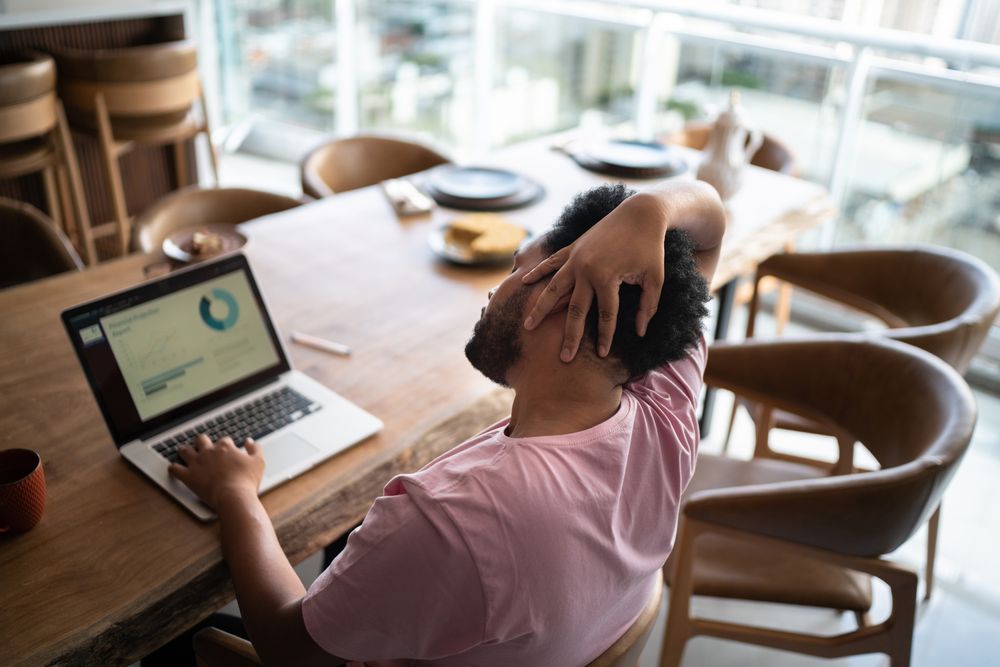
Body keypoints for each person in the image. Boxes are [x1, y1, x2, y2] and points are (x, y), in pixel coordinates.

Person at [167, 180, 726, 666]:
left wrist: (237, 490)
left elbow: (287, 647)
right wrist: (649, 209)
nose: (493, 290)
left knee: (178, 631)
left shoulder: (455, 516)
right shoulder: (664, 407)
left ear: (567, 304)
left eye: (515, 270)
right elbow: (710, 229)